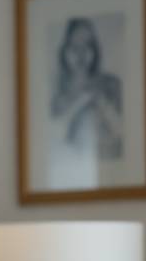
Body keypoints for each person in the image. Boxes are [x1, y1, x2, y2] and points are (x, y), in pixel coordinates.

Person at [49, 17, 123, 160]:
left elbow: (125, 132)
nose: (81, 54)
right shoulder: (57, 98)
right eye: (74, 46)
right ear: (64, 51)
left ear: (95, 50)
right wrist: (82, 101)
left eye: (88, 45)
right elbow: (57, 141)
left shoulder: (112, 85)